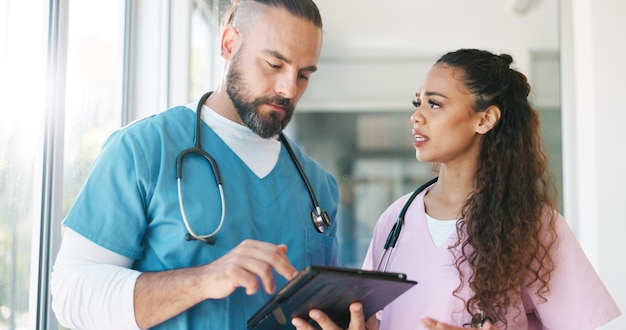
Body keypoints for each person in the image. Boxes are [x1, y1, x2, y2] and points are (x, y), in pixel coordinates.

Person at [50, 0, 340, 329]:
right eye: (274, 64)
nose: (289, 89)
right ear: (229, 44)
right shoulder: (143, 150)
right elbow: (70, 295)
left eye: (303, 75)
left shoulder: (319, 187)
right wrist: (204, 279)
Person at [293, 48, 621, 330]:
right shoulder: (396, 218)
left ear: (485, 119)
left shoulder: (533, 224)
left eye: (434, 104)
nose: (416, 117)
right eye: (417, 102)